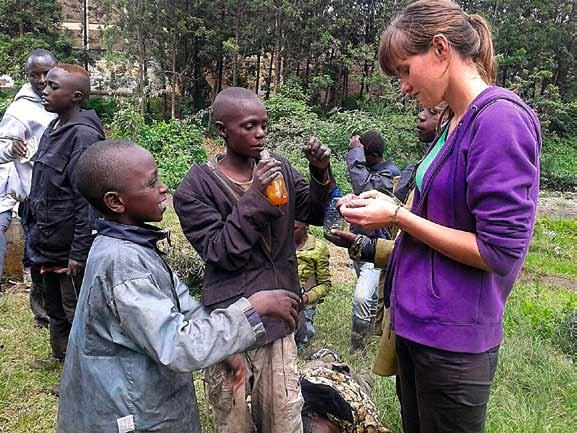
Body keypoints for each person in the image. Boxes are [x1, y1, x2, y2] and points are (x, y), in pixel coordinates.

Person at [340, 1, 541, 432]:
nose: (404, 88)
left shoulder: (500, 121)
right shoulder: (454, 122)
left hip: (454, 341)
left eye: (405, 71)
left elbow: (500, 251)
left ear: (440, 49)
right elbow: (440, 211)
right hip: (418, 327)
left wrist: (399, 216)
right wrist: (388, 206)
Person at [56, 139, 301, 433]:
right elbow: (177, 344)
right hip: (129, 414)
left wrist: (224, 349)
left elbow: (181, 301)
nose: (163, 188)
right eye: (151, 183)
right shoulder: (123, 262)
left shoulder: (132, 244)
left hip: (142, 401)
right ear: (115, 201)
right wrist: (253, 308)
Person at [173, 86, 333, 433]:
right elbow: (220, 251)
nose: (260, 133)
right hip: (229, 320)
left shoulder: (278, 169)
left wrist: (320, 171)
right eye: (248, 126)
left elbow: (314, 212)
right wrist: (257, 196)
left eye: (263, 125)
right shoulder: (196, 188)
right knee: (233, 418)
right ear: (221, 130)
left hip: (280, 317)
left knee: (283, 414)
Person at [28, 64, 105, 377]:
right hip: (47, 239)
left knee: (76, 312)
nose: (44, 91)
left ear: (76, 97)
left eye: (53, 87)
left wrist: (78, 252)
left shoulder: (84, 136)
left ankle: (81, 376)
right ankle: (60, 357)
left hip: (70, 244)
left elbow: (87, 199)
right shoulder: (54, 127)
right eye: (45, 85)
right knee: (54, 305)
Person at [0, 49, 57, 322]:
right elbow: (1, 150)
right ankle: (42, 313)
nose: (41, 79)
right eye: (35, 75)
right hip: (35, 197)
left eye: (47, 73)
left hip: (62, 194)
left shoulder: (62, 98)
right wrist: (11, 148)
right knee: (38, 257)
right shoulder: (20, 109)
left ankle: (61, 309)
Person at [345, 131, 400, 352]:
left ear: (371, 155)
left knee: (362, 297)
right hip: (361, 246)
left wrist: (355, 153)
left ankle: (359, 347)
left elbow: (364, 189)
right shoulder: (371, 170)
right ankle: (370, 334)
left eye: (360, 154)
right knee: (370, 296)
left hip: (377, 247)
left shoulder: (389, 174)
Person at [300, 349, 390, 433]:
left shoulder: (358, 412)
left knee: (366, 381)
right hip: (316, 374)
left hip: (344, 378)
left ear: (314, 417)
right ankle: (329, 355)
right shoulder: (294, 412)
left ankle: (363, 366)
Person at [294, 220, 332, 349]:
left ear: (306, 226)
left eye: (294, 228)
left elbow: (325, 284)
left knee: (303, 335)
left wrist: (306, 298)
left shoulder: (318, 248)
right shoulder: (280, 243)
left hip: (304, 301)